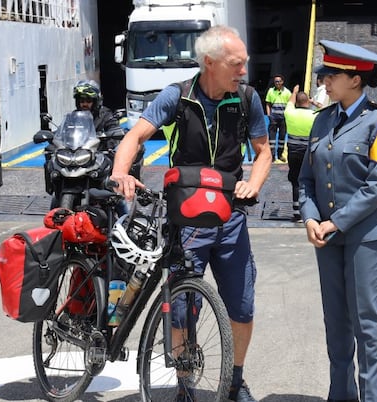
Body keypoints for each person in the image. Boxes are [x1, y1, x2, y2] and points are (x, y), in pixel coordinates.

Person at [109, 25, 271, 402]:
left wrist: (255, 184)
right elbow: (134, 136)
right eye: (236, 64)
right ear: (210, 63)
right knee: (182, 308)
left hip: (230, 217)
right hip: (184, 220)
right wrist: (121, 173)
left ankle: (234, 380)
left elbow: (263, 152)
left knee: (242, 305)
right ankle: (184, 383)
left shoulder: (247, 99)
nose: (243, 71)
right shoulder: (177, 97)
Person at [298, 40, 377, 402]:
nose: (324, 81)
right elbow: (305, 179)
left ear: (355, 80)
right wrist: (310, 217)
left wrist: (335, 221)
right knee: (335, 322)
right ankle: (340, 394)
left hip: (365, 237)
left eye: (331, 75)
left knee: (366, 322)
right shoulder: (322, 120)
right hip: (326, 235)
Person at [283, 84, 315, 222]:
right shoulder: (314, 115)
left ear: (297, 101)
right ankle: (310, 210)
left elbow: (290, 102)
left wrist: (294, 91)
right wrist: (314, 102)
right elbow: (325, 109)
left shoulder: (290, 113)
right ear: (307, 101)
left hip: (293, 151)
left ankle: (297, 212)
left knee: (295, 180)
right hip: (307, 152)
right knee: (308, 180)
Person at [264, 73, 291, 162]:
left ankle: (280, 155)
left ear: (282, 82)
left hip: (283, 119)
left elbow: (290, 105)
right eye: (276, 81)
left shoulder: (287, 92)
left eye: (279, 81)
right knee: (272, 138)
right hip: (273, 118)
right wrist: (269, 115)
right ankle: (272, 156)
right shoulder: (271, 91)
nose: (277, 83)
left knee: (282, 138)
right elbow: (268, 103)